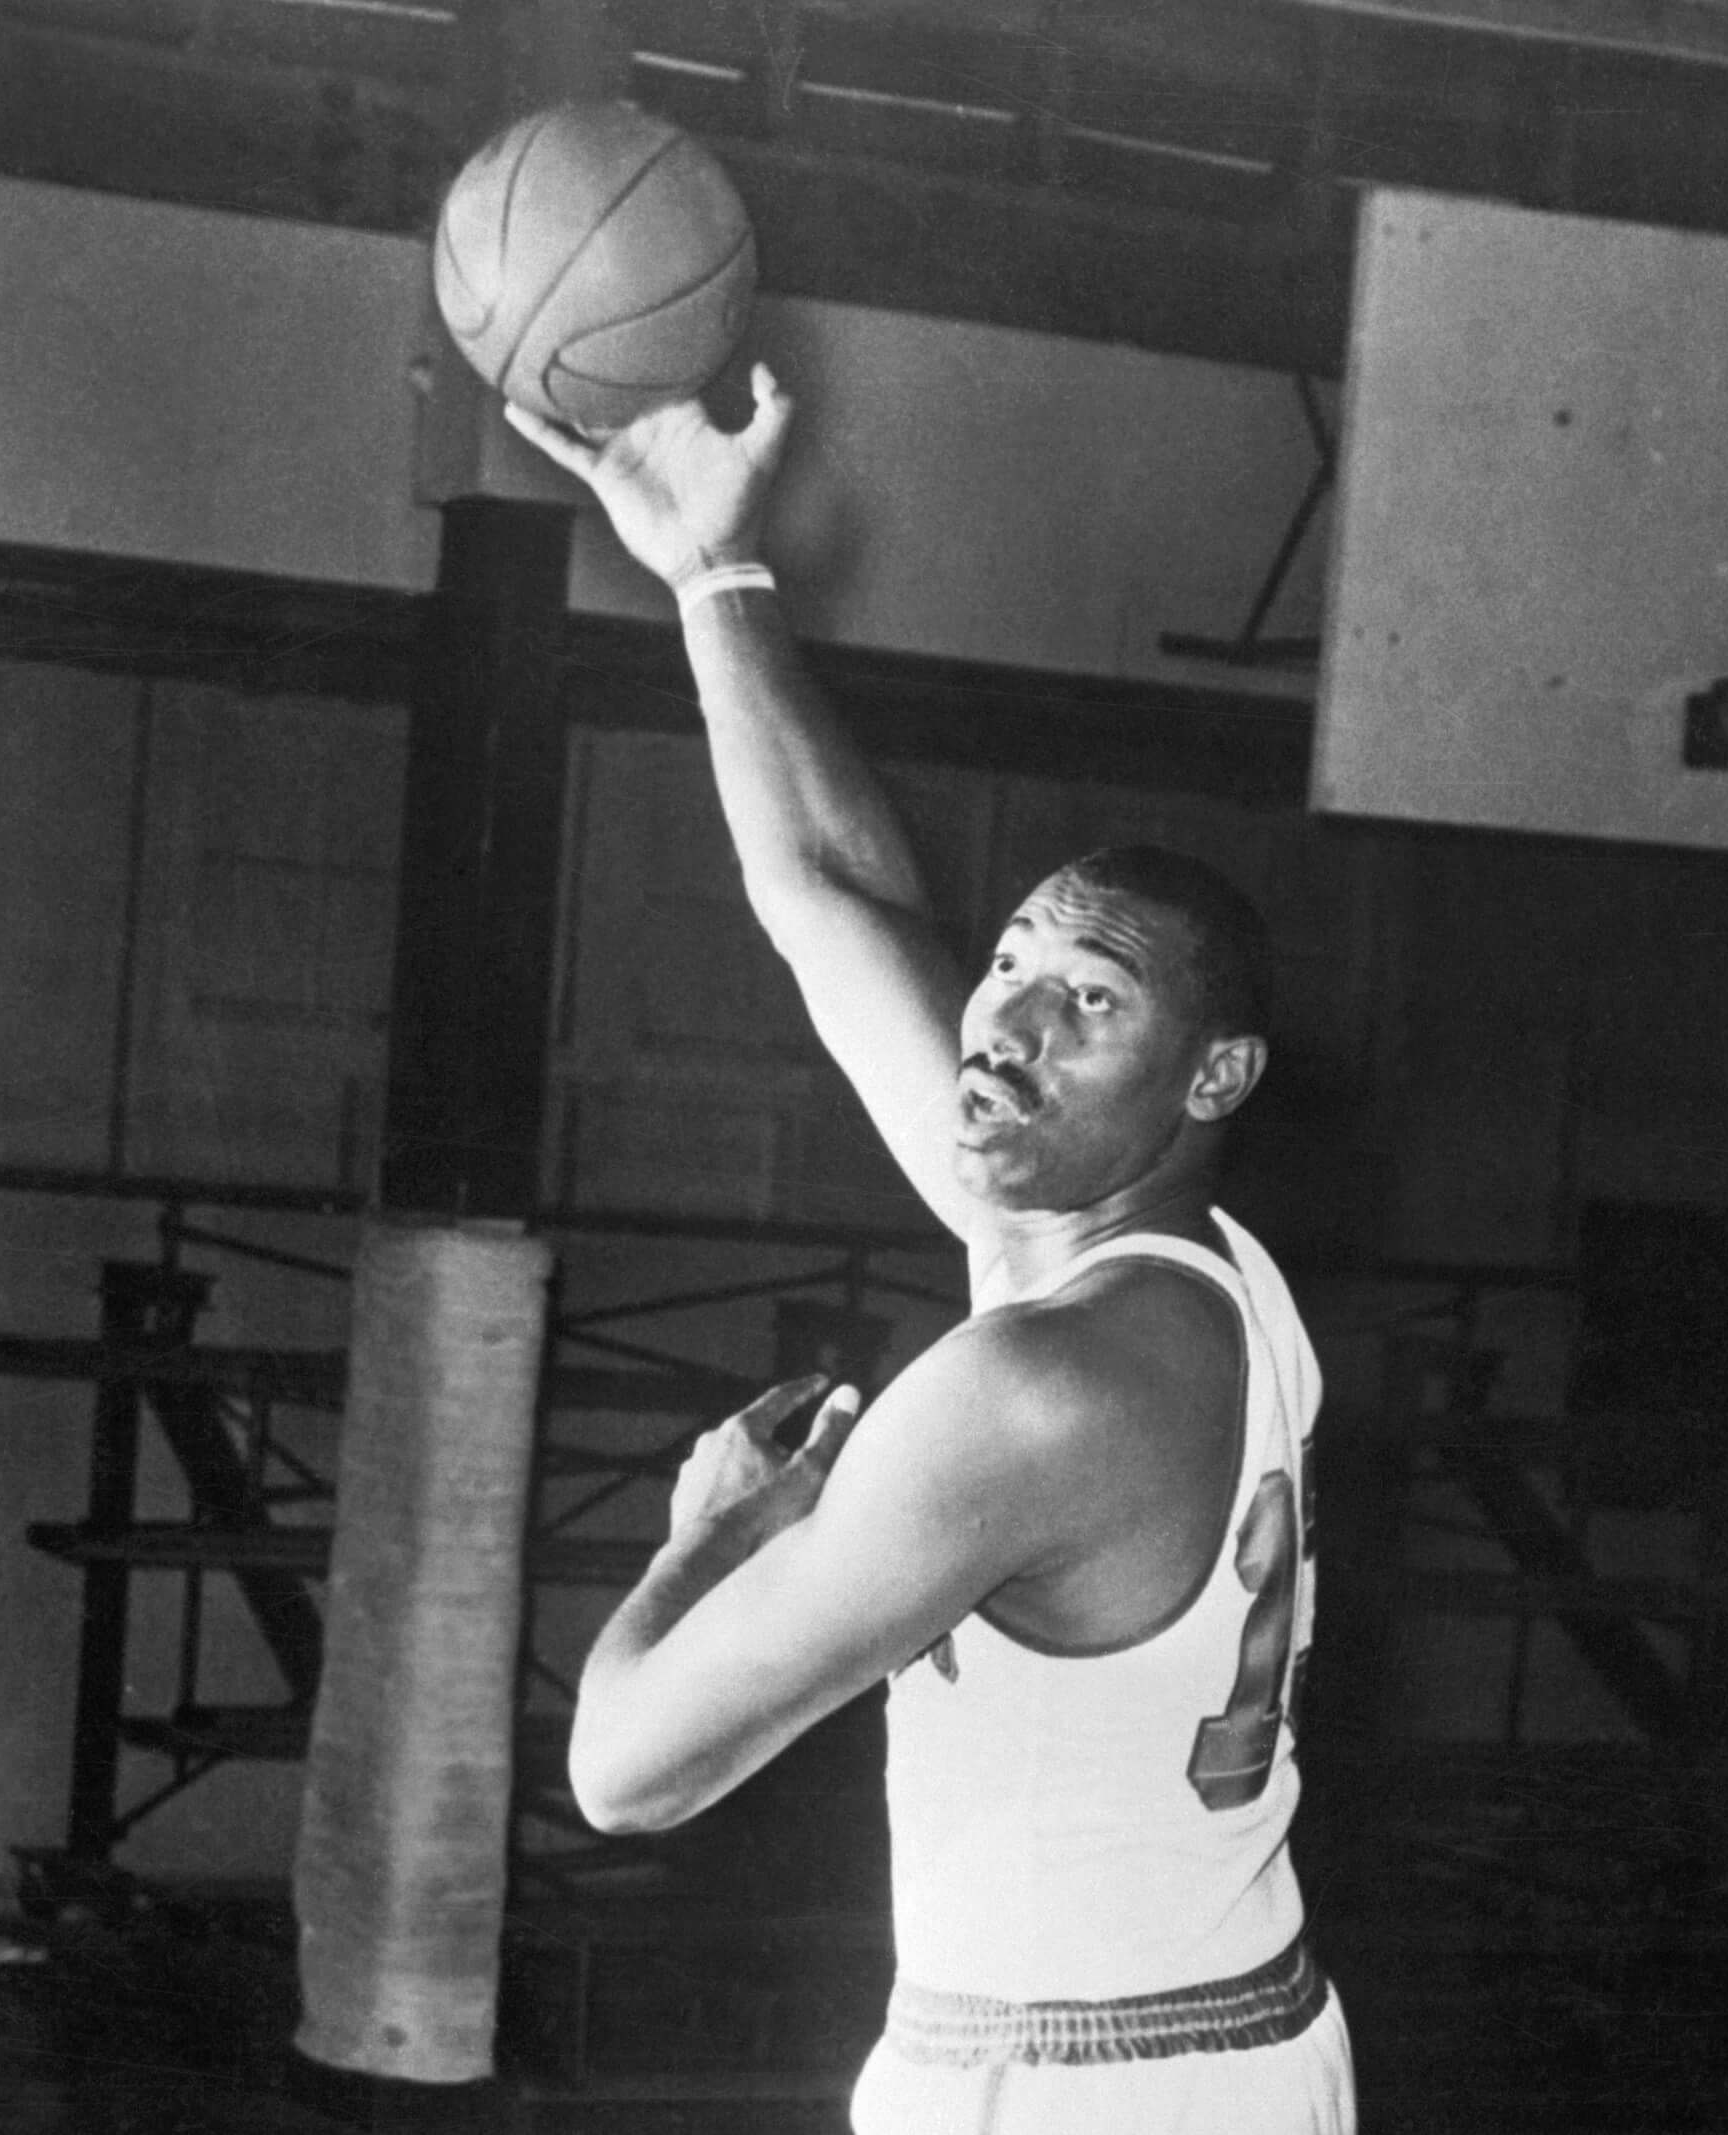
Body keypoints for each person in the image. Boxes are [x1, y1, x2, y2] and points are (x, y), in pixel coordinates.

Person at [510, 367, 1354, 2135]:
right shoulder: (1203, 1279)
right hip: (1233, 2041)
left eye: (1091, 999)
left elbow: (627, 1770)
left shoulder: (1035, 1388)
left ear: (1215, 1076)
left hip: (1072, 2094)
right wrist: (712, 575)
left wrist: (714, 1540)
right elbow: (833, 902)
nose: (1010, 1027)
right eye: (1012, 969)